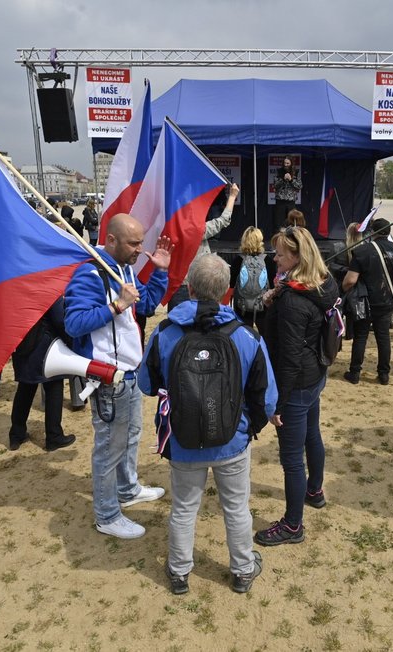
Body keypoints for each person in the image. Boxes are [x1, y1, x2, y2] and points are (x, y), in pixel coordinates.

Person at [139, 254, 277, 594]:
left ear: (189, 288)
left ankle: (179, 571)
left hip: (183, 442)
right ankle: (243, 569)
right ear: (227, 292)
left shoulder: (165, 332)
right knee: (236, 508)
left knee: (184, 508)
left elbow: (145, 383)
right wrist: (248, 428)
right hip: (232, 441)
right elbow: (268, 398)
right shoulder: (246, 336)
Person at [64, 213, 171, 539]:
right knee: (109, 447)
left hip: (129, 374)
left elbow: (147, 304)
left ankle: (127, 488)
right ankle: (107, 515)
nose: (141, 249)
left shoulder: (123, 269)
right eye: (134, 243)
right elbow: (75, 323)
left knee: (130, 437)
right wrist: (116, 306)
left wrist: (160, 272)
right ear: (111, 240)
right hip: (108, 378)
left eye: (141, 242)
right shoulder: (90, 273)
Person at [255, 226, 339, 546]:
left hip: (297, 381)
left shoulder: (292, 300)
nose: (274, 259)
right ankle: (314, 490)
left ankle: (293, 525)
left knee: (291, 457)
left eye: (279, 254)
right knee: (312, 434)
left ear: (296, 257)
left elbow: (287, 358)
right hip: (315, 373)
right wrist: (273, 297)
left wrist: (277, 406)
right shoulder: (322, 282)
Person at [341, 218, 393, 385]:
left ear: (372, 232)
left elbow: (350, 280)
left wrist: (343, 290)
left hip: (365, 302)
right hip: (387, 301)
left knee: (361, 336)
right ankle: (384, 374)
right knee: (383, 336)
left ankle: (355, 373)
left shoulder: (362, 251)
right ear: (388, 232)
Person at [8, 298, 76, 452]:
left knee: (25, 389)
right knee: (54, 387)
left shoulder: (16, 286)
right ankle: (54, 436)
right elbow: (59, 319)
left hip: (22, 344)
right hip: (46, 347)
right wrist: (71, 342)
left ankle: (16, 435)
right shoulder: (46, 284)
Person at [167, 184, 239, 310]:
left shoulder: (169, 229)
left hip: (176, 286)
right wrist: (232, 197)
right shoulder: (194, 231)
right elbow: (223, 220)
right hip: (195, 286)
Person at [229, 226, 271, 331]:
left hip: (242, 306)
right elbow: (273, 285)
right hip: (262, 306)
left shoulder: (238, 260)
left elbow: (231, 283)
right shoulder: (268, 261)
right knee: (264, 336)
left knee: (243, 335)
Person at [273, 157, 302, 230]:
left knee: (291, 222)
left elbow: (299, 186)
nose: (286, 165)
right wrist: (283, 179)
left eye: (288, 163)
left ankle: (290, 239)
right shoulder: (279, 172)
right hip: (280, 201)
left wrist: (291, 180)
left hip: (291, 201)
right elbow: (275, 185)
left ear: (291, 164)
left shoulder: (296, 172)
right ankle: (279, 239)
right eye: (284, 163)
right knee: (279, 223)